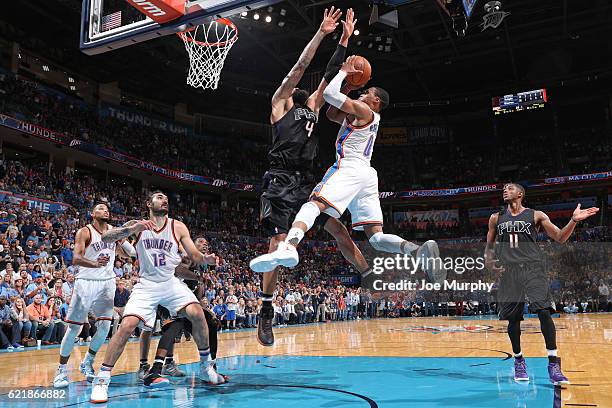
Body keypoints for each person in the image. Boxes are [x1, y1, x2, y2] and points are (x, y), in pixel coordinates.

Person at [250, 54, 442, 298]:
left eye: (367, 92)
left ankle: (289, 245)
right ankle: (417, 251)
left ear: (376, 101)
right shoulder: (361, 115)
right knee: (376, 237)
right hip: (367, 174)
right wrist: (350, 86)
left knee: (314, 203)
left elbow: (329, 95)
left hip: (349, 167)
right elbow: (331, 113)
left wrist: (343, 72)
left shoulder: (364, 109)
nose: (363, 94)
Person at [251, 7, 372, 347]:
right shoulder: (280, 102)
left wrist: (345, 40)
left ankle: (369, 276)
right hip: (279, 179)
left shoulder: (313, 107)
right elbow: (302, 66)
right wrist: (322, 33)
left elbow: (330, 73)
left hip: (306, 180)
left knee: (338, 228)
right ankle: (266, 309)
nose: (304, 84)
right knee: (276, 245)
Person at [90, 191, 224, 403]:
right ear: (149, 203)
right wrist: (132, 229)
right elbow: (106, 237)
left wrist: (206, 259)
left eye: (166, 198)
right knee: (127, 326)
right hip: (147, 284)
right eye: (160, 197)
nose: (164, 200)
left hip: (170, 281)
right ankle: (102, 379)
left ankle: (206, 367)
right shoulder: (138, 225)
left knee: (196, 312)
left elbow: (195, 255)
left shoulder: (177, 226)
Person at [485, 183, 599, 385]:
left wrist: (573, 221)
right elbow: (488, 248)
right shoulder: (495, 218)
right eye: (504, 188)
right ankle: (519, 360)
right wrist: (490, 264)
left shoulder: (536, 215)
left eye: (510, 188)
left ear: (520, 194)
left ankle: (553, 364)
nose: (505, 190)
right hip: (509, 273)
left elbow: (560, 237)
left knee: (544, 312)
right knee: (513, 319)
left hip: (533, 269)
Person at [53, 203, 136, 388]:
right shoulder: (85, 231)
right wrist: (95, 263)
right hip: (86, 281)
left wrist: (130, 233)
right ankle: (60, 371)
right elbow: (75, 258)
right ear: (92, 214)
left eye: (107, 209)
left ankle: (87, 362)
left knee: (105, 327)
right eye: (100, 208)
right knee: (74, 329)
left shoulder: (114, 231)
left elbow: (130, 252)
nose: (105, 210)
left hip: (107, 282)